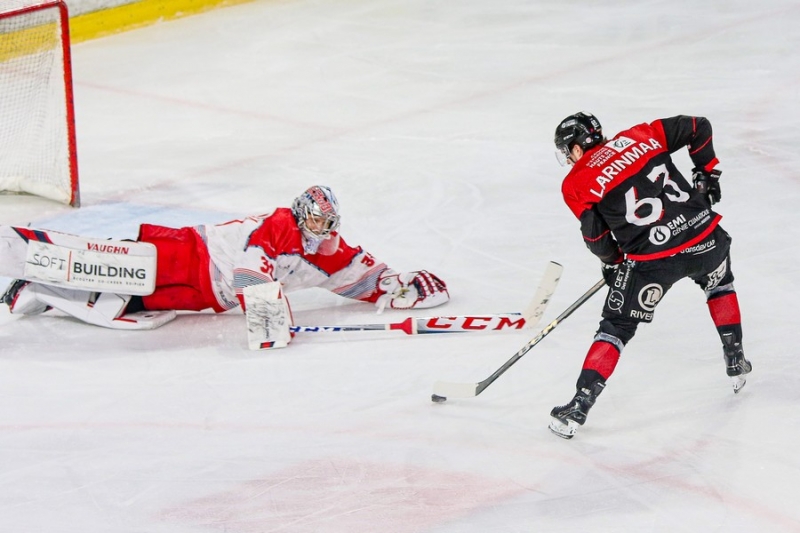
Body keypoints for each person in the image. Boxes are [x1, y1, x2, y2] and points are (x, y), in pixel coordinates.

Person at [2, 185, 449, 344]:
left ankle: (40, 291)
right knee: (115, 269)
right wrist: (270, 320)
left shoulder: (328, 255)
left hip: (202, 296)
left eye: (327, 220)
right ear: (299, 212)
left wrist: (401, 286)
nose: (320, 226)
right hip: (188, 255)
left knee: (127, 306)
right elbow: (249, 273)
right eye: (314, 217)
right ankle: (29, 268)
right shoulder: (280, 225)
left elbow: (363, 280)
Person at [548, 112, 751, 439]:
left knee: (616, 327)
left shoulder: (576, 182)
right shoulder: (642, 134)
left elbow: (596, 237)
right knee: (720, 285)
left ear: (574, 148)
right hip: (705, 236)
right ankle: (736, 359)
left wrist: (614, 262)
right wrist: (706, 173)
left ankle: (579, 405)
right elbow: (699, 126)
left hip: (654, 262)